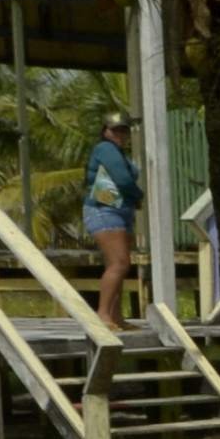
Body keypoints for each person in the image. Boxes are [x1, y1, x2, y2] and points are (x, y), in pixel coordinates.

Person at [81, 110, 143, 330]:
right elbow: (123, 180)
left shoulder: (118, 152)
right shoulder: (105, 148)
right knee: (119, 263)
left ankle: (116, 317)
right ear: (105, 131)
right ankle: (103, 314)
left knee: (117, 265)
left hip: (119, 211)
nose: (120, 134)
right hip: (104, 210)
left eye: (124, 130)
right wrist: (139, 196)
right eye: (115, 129)